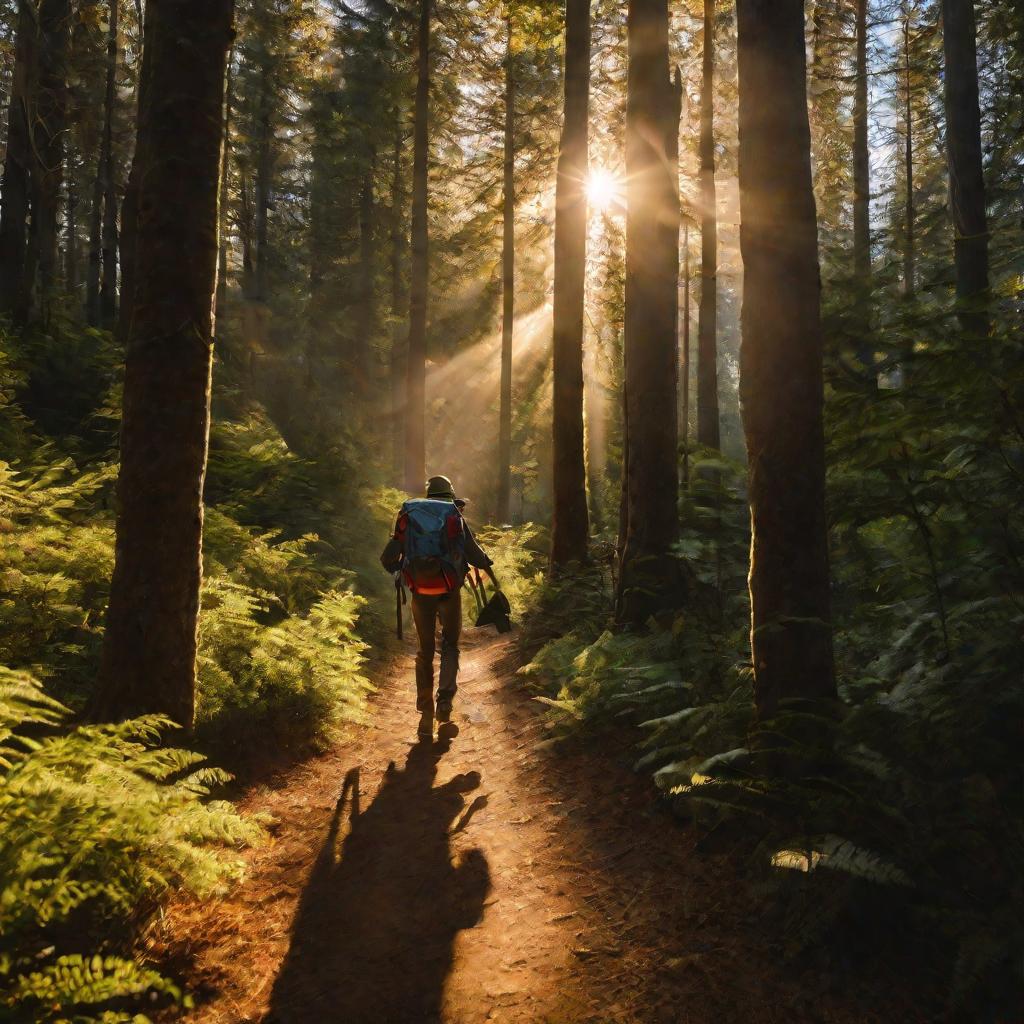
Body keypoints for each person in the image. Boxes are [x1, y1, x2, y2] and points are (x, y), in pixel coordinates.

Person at [381, 475, 500, 739]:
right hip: (448, 590)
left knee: (424, 651)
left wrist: (400, 571)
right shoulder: (453, 514)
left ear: (428, 494)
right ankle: (445, 703)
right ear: (449, 495)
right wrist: (488, 562)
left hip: (420, 592)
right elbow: (474, 554)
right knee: (449, 645)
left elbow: (388, 556)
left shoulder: (409, 514)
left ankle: (425, 716)